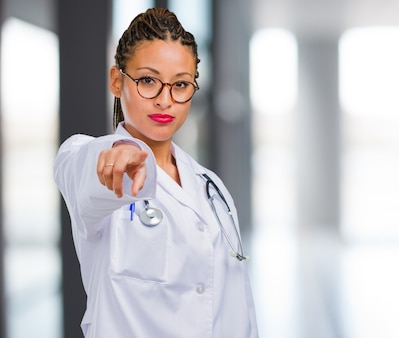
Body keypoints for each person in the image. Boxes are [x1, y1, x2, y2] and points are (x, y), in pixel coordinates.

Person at [53, 8, 258, 337]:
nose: (165, 100)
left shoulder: (210, 186)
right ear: (117, 82)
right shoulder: (90, 159)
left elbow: (237, 306)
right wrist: (115, 156)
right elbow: (82, 171)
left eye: (180, 84)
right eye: (148, 80)